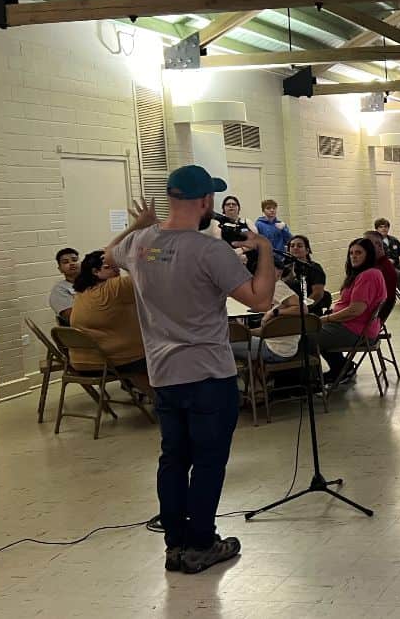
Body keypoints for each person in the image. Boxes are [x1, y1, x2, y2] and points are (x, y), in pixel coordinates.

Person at [106, 164, 276, 575]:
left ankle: (175, 546)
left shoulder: (142, 244)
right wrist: (265, 250)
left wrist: (138, 225)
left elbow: (108, 256)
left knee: (173, 459)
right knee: (209, 462)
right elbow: (259, 299)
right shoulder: (210, 251)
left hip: (164, 375)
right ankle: (201, 544)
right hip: (208, 375)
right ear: (205, 201)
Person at [317, 238, 389, 385]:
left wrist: (326, 319)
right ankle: (343, 368)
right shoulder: (365, 273)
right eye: (351, 253)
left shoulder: (368, 275)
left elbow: (355, 310)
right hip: (355, 326)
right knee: (312, 330)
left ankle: (307, 381)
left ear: (368, 255)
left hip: (356, 330)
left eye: (358, 253)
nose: (353, 256)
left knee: (305, 338)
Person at [68, 251, 147, 378]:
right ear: (95, 272)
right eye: (109, 267)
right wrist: (136, 254)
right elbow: (151, 270)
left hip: (82, 362)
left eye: (116, 265)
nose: (117, 270)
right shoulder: (114, 287)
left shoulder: (82, 292)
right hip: (112, 361)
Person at [231, 264, 305, 366]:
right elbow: (269, 330)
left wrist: (273, 312)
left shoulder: (276, 288)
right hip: (288, 349)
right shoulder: (283, 295)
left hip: (274, 350)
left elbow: (303, 308)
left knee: (224, 344)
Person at [374, 218, 400, 307]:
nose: (384, 229)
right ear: (376, 229)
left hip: (396, 265)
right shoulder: (373, 243)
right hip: (383, 269)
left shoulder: (393, 240)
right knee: (398, 274)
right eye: (381, 227)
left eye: (386, 227)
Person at [286, 235, 330, 314]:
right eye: (292, 246)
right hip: (288, 309)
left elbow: (318, 294)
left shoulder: (314, 268)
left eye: (299, 246)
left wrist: (302, 308)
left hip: (308, 312)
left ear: (307, 250)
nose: (295, 248)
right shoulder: (284, 268)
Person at [362, 231, 399, 311]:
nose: (363, 247)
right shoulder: (376, 264)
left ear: (379, 245)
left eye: (367, 244)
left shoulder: (381, 269)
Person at [49, 247, 79, 325]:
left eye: (75, 260)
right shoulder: (59, 290)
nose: (72, 263)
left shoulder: (93, 282)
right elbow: (73, 318)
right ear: (60, 269)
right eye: (66, 262)